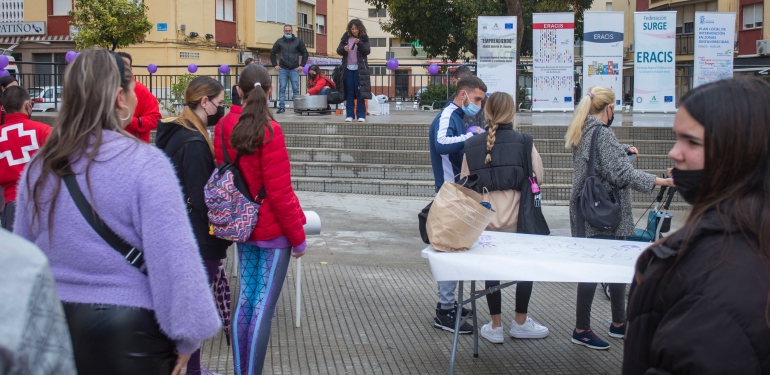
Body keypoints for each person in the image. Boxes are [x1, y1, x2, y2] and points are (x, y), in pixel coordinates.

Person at [13, 48, 220, 375]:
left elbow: (21, 257)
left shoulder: (39, 168)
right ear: (121, 99)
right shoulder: (146, 164)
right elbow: (174, 258)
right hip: (129, 331)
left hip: (51, 324)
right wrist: (188, 338)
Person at [623, 78, 770, 374]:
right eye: (678, 139)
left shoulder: (714, 279)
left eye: (692, 142)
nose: (674, 153)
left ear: (739, 152)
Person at [214, 64, 307, 375]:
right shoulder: (270, 131)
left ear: (238, 91)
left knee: (246, 302)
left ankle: (242, 371)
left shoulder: (224, 126)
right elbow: (280, 193)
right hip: (272, 231)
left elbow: (224, 172)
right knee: (263, 308)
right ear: (269, 91)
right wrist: (298, 237)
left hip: (242, 226)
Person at [565, 86, 673, 350]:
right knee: (593, 270)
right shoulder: (602, 133)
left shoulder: (584, 129)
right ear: (609, 109)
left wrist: (622, 149)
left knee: (610, 265)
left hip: (590, 209)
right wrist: (661, 180)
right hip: (601, 211)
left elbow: (602, 159)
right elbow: (622, 175)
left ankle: (618, 322)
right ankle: (582, 329)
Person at [154, 76, 232, 375]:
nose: (220, 109)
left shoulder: (175, 132)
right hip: (197, 237)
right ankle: (192, 371)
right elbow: (202, 198)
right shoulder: (195, 142)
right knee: (194, 310)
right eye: (220, 104)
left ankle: (194, 369)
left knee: (188, 308)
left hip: (177, 230)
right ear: (205, 102)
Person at [461, 92, 550, 343]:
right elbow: (538, 178)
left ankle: (495, 325)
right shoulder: (524, 143)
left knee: (491, 271)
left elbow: (465, 183)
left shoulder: (472, 145)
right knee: (525, 268)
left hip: (485, 222)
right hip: (518, 222)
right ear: (512, 112)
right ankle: (520, 321)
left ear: (487, 113)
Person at [428, 75, 487, 334]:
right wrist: (471, 139)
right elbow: (441, 144)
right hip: (448, 194)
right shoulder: (447, 115)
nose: (479, 106)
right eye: (476, 99)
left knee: (452, 249)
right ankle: (445, 310)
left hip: (454, 193)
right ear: (463, 94)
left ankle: (448, 304)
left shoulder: (457, 117)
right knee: (448, 250)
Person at [0, 229, 77, 375]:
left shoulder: (23, 263)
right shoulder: (23, 263)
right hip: (41, 291)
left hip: (51, 292)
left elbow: (23, 233)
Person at [0, 86, 51, 231]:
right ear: (28, 105)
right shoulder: (44, 130)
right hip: (43, 202)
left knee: (16, 253)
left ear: (4, 108)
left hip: (12, 204)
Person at [117, 52, 161, 143]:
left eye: (125, 66)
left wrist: (130, 120)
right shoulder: (105, 89)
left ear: (130, 69)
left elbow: (155, 119)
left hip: (136, 148)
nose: (121, 69)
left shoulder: (141, 90)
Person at [336, 19, 372, 123]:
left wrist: (359, 43)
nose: (354, 30)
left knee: (360, 92)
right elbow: (338, 50)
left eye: (356, 28)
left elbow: (367, 51)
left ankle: (361, 115)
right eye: (352, 29)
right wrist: (344, 49)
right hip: (348, 69)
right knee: (349, 92)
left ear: (360, 28)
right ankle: (350, 115)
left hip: (359, 69)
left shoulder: (364, 37)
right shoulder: (346, 37)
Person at [270, 24, 309, 114]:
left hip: (294, 69)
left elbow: (305, 53)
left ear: (292, 31)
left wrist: (302, 65)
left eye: (289, 31)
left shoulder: (298, 41)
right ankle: (282, 107)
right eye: (286, 31)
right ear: (284, 31)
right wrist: (275, 64)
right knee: (282, 88)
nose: (288, 32)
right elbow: (272, 52)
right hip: (283, 69)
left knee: (295, 89)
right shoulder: (279, 41)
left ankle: (297, 107)